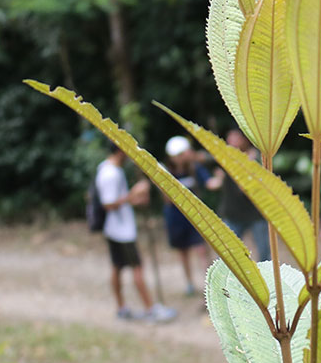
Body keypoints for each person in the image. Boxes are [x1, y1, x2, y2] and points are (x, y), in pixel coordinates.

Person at [95, 144, 175, 323]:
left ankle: (122, 307)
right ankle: (150, 309)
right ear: (120, 151)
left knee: (117, 266)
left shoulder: (109, 169)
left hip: (115, 229)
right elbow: (108, 204)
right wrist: (133, 194)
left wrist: (134, 200)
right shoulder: (111, 174)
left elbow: (117, 201)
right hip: (121, 232)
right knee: (137, 267)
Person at [163, 135, 212, 296]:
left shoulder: (195, 168)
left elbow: (209, 183)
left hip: (194, 217)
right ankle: (189, 283)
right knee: (183, 251)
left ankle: (209, 284)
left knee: (201, 250)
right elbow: (167, 199)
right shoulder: (166, 172)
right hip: (176, 218)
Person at [214, 129, 270, 262]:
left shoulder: (259, 159)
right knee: (225, 252)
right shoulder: (227, 158)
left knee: (264, 253)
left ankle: (264, 281)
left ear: (245, 139)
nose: (231, 142)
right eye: (230, 138)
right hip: (233, 213)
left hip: (256, 214)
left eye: (235, 138)